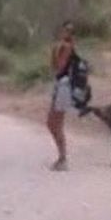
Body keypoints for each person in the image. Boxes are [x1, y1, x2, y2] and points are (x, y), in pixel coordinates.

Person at [47, 20, 76, 171]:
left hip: (64, 86)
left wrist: (54, 53)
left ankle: (63, 158)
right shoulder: (65, 47)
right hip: (61, 85)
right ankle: (62, 156)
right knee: (54, 123)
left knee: (54, 122)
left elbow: (59, 68)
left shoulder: (66, 48)